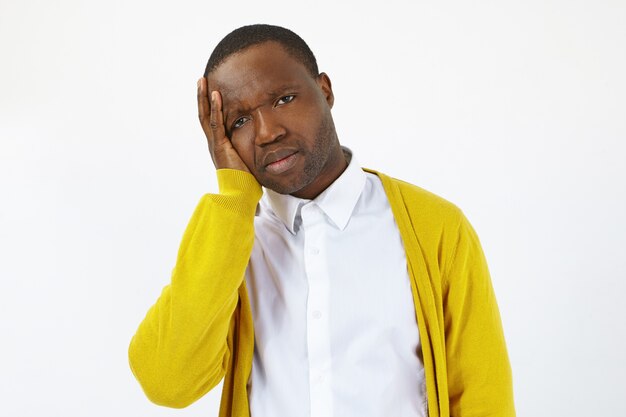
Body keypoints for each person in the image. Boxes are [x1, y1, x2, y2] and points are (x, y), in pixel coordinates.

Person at [128, 24, 515, 417]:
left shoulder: (435, 227)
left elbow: (484, 398)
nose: (266, 132)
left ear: (325, 90)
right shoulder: (229, 242)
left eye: (284, 98)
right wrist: (233, 198)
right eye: (239, 122)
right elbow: (167, 382)